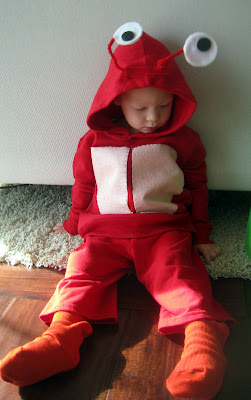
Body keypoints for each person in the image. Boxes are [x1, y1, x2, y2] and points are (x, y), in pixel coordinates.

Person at [0, 23, 235, 399]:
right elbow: (85, 185)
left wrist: (202, 235)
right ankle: (60, 337)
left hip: (162, 232)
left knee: (180, 277)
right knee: (81, 274)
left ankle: (203, 339)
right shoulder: (93, 141)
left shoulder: (184, 140)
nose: (153, 118)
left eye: (164, 105)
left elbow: (197, 187)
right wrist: (75, 220)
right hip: (103, 233)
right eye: (140, 108)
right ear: (116, 102)